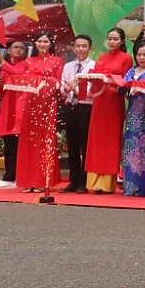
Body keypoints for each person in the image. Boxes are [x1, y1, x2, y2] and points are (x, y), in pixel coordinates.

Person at [83, 28, 133, 194]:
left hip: (114, 103)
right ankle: (95, 181)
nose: (112, 42)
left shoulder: (126, 59)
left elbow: (126, 83)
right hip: (99, 102)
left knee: (111, 140)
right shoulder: (102, 57)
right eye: (109, 39)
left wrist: (113, 81)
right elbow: (96, 80)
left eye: (115, 39)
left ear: (122, 41)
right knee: (96, 141)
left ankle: (107, 183)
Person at [14, 31, 64, 192]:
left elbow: (58, 82)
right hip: (30, 104)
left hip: (48, 104)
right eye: (40, 42)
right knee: (28, 140)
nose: (43, 45)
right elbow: (22, 80)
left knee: (44, 141)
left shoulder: (56, 61)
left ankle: (43, 181)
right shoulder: (28, 61)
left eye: (46, 42)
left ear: (51, 44)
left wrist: (44, 80)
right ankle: (28, 181)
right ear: (35, 44)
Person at [120, 41, 145, 197]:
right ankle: (130, 186)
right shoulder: (131, 71)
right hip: (132, 115)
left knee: (144, 151)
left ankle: (144, 187)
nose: (141, 58)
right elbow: (122, 89)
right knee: (130, 149)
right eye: (139, 55)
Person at [0, 41, 28, 189]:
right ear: (9, 50)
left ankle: (16, 176)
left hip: (20, 109)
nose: (19, 50)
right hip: (7, 109)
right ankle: (9, 176)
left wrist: (2, 62)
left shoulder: (25, 65)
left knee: (18, 145)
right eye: (16, 47)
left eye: (22, 48)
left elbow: (20, 76)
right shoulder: (3, 70)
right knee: (9, 144)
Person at [58, 34, 95, 193]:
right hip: (70, 107)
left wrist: (77, 90)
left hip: (85, 107)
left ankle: (84, 181)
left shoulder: (94, 66)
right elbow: (61, 85)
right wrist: (65, 89)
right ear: (73, 48)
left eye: (84, 46)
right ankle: (73, 181)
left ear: (90, 48)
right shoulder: (68, 66)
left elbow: (93, 91)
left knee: (85, 145)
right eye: (78, 46)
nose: (81, 49)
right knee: (72, 145)